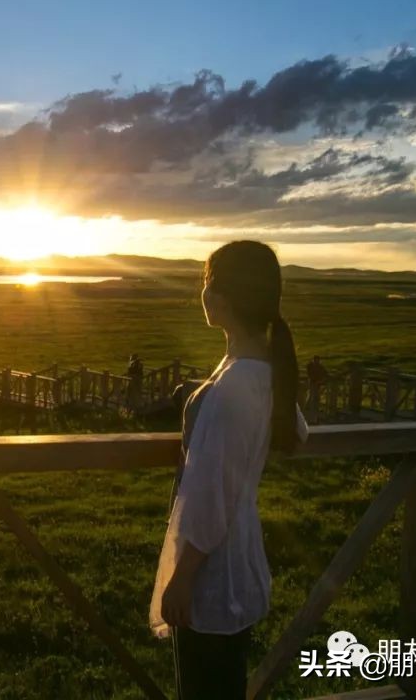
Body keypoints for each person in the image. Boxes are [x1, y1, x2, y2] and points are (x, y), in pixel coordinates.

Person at [150, 240, 310, 700]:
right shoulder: (263, 370)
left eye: (204, 281)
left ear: (218, 298)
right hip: (240, 559)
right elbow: (298, 435)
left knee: (203, 687)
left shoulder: (234, 384)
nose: (201, 292)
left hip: (211, 575)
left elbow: (211, 493)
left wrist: (182, 579)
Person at [306, 355, 329, 422]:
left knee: (315, 396)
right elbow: (309, 374)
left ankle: (312, 408)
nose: (317, 361)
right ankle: (310, 408)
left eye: (317, 360)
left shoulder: (320, 367)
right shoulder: (311, 366)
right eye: (316, 360)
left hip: (317, 383)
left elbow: (325, 374)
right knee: (312, 395)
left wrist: (321, 381)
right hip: (313, 383)